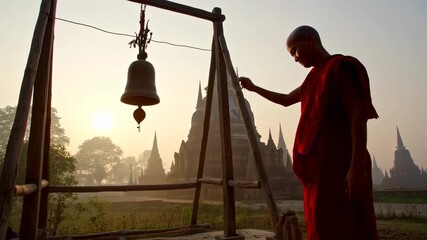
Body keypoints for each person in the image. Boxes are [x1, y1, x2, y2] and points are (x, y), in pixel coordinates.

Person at [239, 25, 379, 240]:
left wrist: (356, 166)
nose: (295, 58)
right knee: (320, 223)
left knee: (347, 225)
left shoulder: (340, 68)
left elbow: (357, 116)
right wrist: (255, 88)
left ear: (310, 39)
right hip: (318, 168)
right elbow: (286, 100)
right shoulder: (312, 78)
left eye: (295, 50)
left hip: (342, 161)